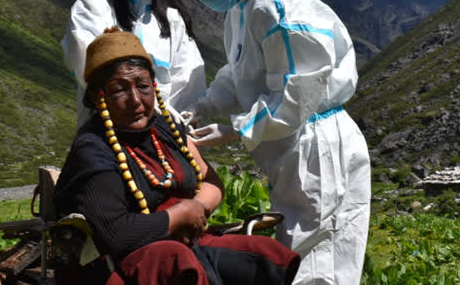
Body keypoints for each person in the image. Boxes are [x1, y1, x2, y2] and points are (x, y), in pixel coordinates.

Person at [175, 0, 371, 285]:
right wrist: (205, 106)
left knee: (312, 249)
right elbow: (238, 75)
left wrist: (235, 129)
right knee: (320, 246)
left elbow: (297, 95)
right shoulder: (241, 11)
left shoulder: (275, 9)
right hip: (297, 146)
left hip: (317, 143)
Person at [53, 29, 300, 284]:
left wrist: (197, 210)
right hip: (125, 261)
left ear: (154, 86)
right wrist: (178, 216)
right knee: (175, 258)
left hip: (187, 242)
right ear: (97, 96)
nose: (136, 100)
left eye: (143, 86)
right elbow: (116, 234)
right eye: (119, 90)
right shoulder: (94, 149)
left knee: (264, 255)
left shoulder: (165, 129)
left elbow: (210, 180)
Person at [62, 0, 206, 127]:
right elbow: (92, 71)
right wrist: (155, 110)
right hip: (108, 136)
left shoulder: (173, 21)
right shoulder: (91, 9)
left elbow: (189, 84)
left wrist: (182, 121)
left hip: (166, 138)